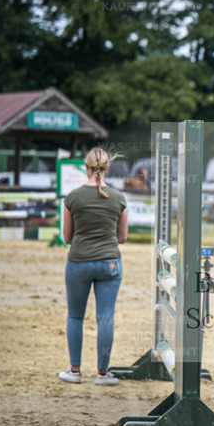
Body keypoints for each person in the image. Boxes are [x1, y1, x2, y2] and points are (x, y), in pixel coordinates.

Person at [58, 147, 128, 385]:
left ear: (86, 168)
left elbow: (67, 237)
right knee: (105, 319)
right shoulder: (118, 198)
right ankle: (102, 374)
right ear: (107, 168)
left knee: (75, 316)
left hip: (78, 262)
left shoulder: (73, 197)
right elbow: (123, 236)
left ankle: (75, 372)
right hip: (109, 263)